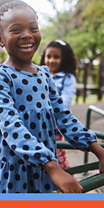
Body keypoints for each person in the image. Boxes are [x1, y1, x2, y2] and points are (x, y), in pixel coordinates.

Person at [0, 0, 104, 193]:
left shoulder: (43, 73)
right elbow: (10, 125)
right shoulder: (0, 75)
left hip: (44, 168)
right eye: (16, 30)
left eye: (33, 28)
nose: (27, 35)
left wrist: (101, 153)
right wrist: (53, 167)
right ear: (0, 40)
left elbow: (63, 116)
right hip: (14, 170)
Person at [39, 39, 77, 169]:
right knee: (39, 158)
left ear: (64, 59)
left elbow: (65, 102)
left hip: (55, 126)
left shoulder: (67, 78)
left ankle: (67, 185)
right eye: (48, 56)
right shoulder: (39, 74)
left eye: (56, 57)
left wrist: (47, 110)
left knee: (57, 158)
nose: (51, 60)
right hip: (37, 125)